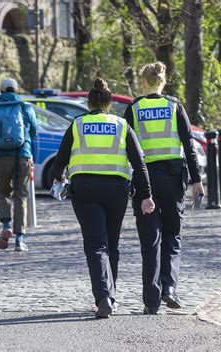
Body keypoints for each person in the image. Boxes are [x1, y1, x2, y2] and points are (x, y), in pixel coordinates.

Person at [52, 78, 155, 318]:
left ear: (88, 102)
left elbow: (60, 159)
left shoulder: (78, 124)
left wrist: (59, 179)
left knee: (95, 244)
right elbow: (139, 164)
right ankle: (111, 295)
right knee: (112, 243)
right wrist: (146, 194)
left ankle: (103, 296)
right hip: (116, 189)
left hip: (85, 188)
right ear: (109, 103)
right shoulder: (121, 124)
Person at [123, 62, 205, 315]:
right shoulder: (174, 106)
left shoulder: (134, 109)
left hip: (144, 180)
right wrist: (196, 180)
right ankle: (170, 288)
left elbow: (124, 147)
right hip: (171, 179)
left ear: (144, 82)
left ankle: (151, 300)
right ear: (163, 80)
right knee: (172, 235)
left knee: (150, 238)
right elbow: (189, 146)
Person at [0, 78, 37, 252]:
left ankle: (6, 224)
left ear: (1, 91)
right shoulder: (25, 107)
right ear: (16, 89)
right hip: (23, 156)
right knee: (21, 196)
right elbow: (34, 130)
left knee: (4, 193)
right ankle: (20, 239)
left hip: (1, 157)